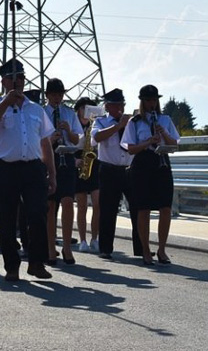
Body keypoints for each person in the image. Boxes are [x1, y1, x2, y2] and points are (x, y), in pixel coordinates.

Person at [0, 59, 56, 281]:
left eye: (21, 78)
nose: (18, 82)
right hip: (4, 168)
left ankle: (36, 262)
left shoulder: (35, 108)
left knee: (37, 213)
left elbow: (45, 143)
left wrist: (52, 172)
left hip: (32, 168)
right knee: (6, 217)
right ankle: (12, 265)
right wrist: (5, 103)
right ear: (3, 81)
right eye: (13, 78)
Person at [121, 85, 180, 265]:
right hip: (142, 164)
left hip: (162, 162)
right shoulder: (135, 121)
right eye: (148, 100)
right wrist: (148, 142)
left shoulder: (165, 119)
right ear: (142, 102)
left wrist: (163, 134)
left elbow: (175, 145)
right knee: (143, 208)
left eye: (154, 100)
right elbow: (130, 148)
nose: (151, 104)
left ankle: (162, 249)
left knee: (165, 207)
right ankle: (146, 250)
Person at [92, 88, 141, 259]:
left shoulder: (132, 122)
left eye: (122, 104)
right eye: (115, 105)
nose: (120, 108)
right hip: (109, 168)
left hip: (129, 168)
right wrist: (118, 126)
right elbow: (96, 138)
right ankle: (105, 248)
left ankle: (141, 248)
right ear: (107, 106)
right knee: (108, 210)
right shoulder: (101, 122)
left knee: (138, 207)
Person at [44, 78, 83, 265]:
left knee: (68, 202)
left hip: (66, 158)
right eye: (54, 95)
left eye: (60, 94)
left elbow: (78, 141)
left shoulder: (69, 113)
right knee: (50, 206)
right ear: (47, 95)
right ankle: (51, 248)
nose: (57, 98)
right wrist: (51, 138)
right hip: (47, 158)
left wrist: (68, 130)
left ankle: (66, 246)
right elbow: (36, 139)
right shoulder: (41, 112)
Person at [73, 98, 101, 253]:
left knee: (98, 203)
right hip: (78, 159)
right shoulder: (73, 122)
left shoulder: (94, 123)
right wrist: (74, 160)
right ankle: (83, 239)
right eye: (84, 108)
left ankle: (95, 238)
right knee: (82, 205)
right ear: (78, 109)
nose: (87, 111)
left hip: (93, 161)